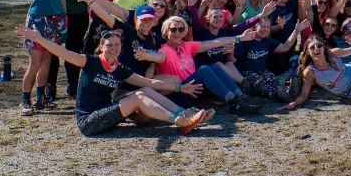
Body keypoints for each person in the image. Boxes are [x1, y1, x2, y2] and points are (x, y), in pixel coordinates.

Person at [15, 25, 213, 136]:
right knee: (137, 97)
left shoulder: (119, 69)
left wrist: (179, 87)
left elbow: (149, 82)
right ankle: (179, 121)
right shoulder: (90, 62)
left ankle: (183, 114)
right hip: (89, 122)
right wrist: (39, 39)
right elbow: (64, 53)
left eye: (117, 45)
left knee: (142, 90)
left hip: (107, 113)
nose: (113, 48)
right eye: (109, 45)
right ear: (101, 47)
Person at [279, 34, 351, 109]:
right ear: (308, 52)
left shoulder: (333, 53)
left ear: (323, 47)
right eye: (312, 47)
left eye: (319, 45)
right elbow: (304, 94)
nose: (316, 48)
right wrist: (293, 104)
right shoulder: (310, 72)